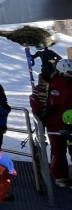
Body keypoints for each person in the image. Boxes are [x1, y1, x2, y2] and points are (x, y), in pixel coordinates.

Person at [31, 58, 72, 187]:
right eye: (67, 73)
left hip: (69, 124)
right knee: (58, 151)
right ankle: (59, 176)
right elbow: (35, 98)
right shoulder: (50, 85)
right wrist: (39, 115)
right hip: (55, 124)